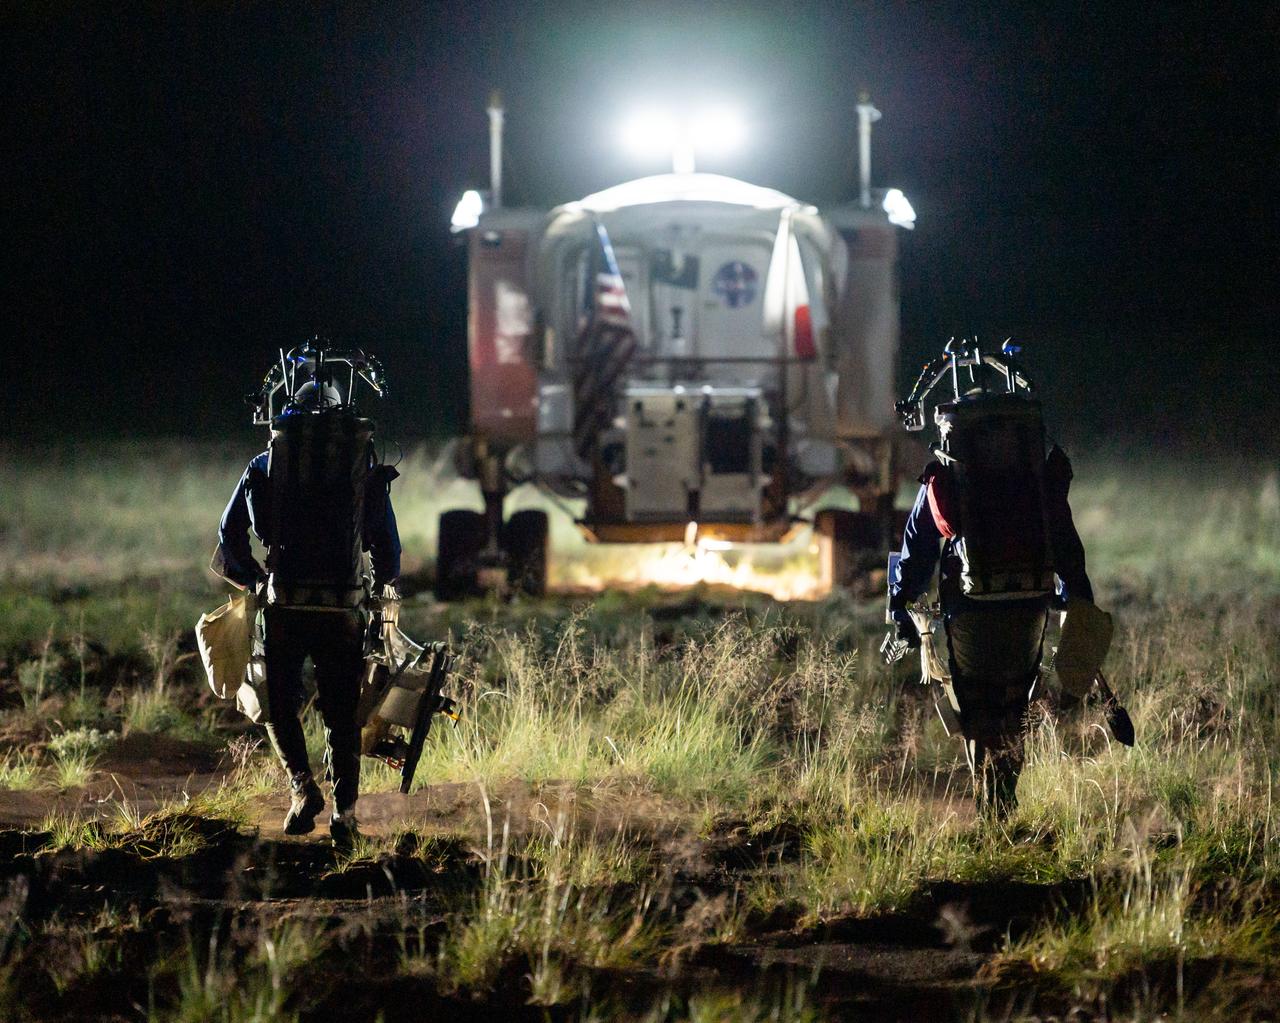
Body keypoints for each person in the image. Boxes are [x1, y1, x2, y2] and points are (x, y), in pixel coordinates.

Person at [885, 341, 1094, 816]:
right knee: (1016, 700)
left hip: (970, 607)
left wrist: (901, 608)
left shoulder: (947, 474)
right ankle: (1004, 800)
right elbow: (1063, 539)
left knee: (976, 703)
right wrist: (1077, 599)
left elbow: (918, 543)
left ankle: (989, 807)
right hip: (1030, 602)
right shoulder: (1033, 474)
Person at [216, 353, 400, 845]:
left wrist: (254, 580)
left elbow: (228, 536)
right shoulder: (361, 465)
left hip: (285, 604)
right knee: (342, 714)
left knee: (277, 702)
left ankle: (302, 788)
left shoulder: (266, 463)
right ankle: (345, 816)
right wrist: (382, 586)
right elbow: (387, 546)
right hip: (343, 606)